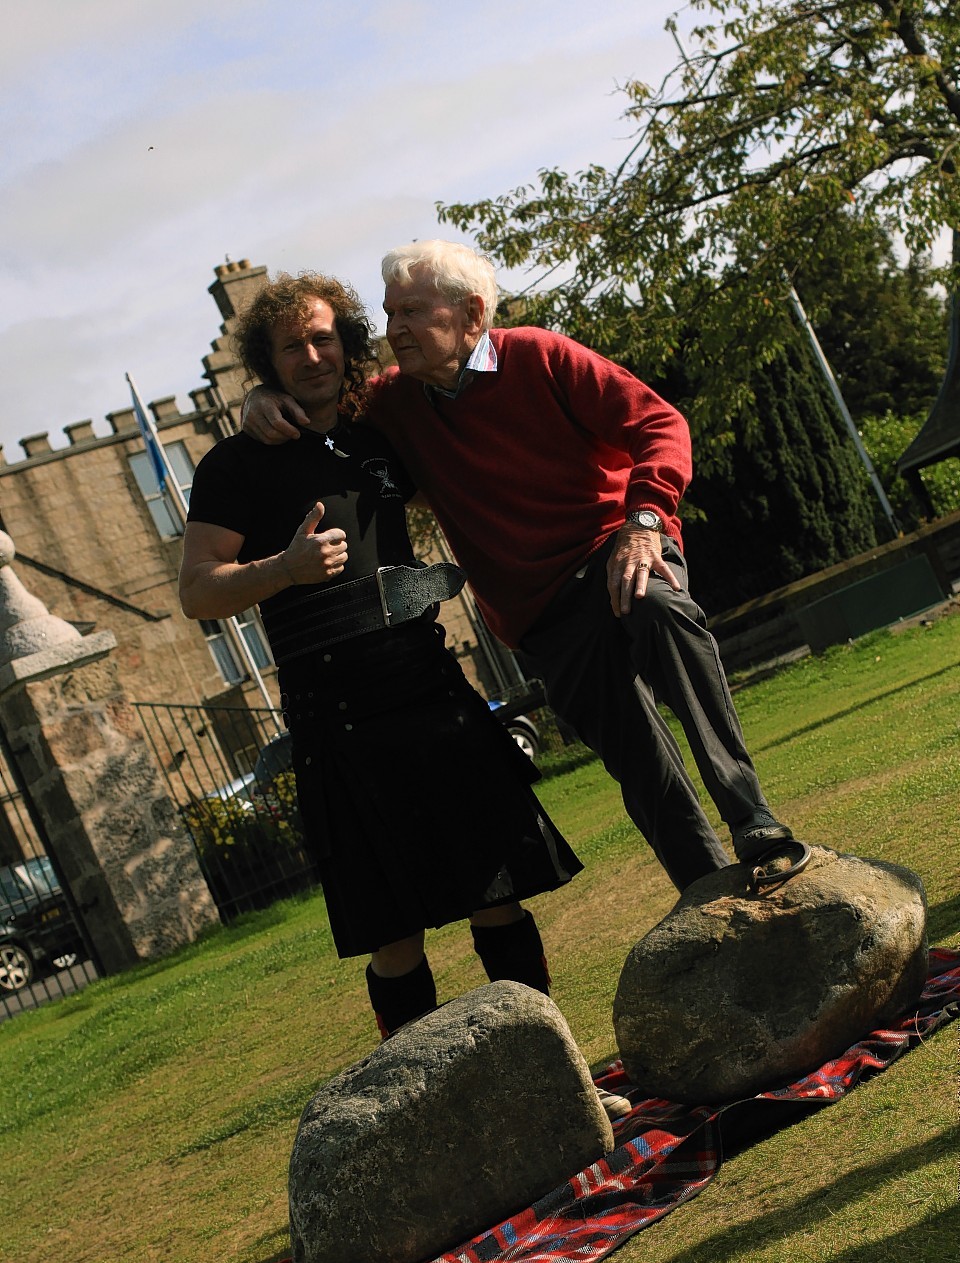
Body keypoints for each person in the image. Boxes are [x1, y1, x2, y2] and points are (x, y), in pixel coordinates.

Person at [242, 240, 806, 895]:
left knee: (661, 611)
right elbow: (317, 403)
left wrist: (645, 520)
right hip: (540, 611)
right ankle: (713, 897)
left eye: (413, 312)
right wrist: (259, 394)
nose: (395, 330)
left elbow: (661, 425)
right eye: (390, 313)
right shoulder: (392, 404)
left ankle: (751, 816)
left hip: (616, 551)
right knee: (638, 759)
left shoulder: (540, 354)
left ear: (472, 314)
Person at [179, 273, 609, 1095]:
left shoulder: (382, 429)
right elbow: (198, 590)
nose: (311, 354)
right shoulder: (236, 464)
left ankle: (560, 1083)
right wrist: (283, 568)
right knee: (395, 933)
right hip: (337, 719)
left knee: (501, 896)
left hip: (429, 688)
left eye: (322, 337)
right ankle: (435, 1117)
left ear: (345, 339)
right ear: (264, 365)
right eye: (290, 346)